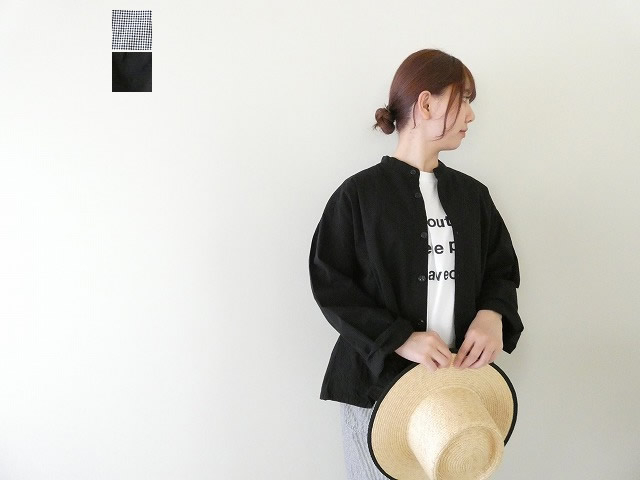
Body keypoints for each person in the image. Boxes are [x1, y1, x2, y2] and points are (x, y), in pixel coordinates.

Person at [308, 48, 523, 479]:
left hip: (454, 391)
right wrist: (399, 338)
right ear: (426, 103)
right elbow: (331, 284)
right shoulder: (358, 196)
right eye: (464, 100)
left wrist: (492, 315)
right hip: (376, 391)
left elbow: (501, 268)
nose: (471, 115)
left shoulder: (473, 197)